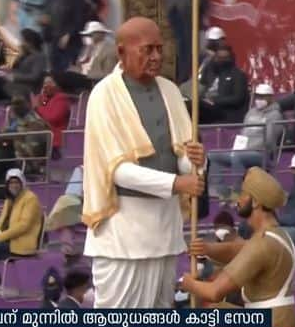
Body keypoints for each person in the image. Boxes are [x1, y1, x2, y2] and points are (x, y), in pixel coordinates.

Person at [81, 17, 206, 309]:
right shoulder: (103, 96)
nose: (156, 57)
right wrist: (177, 183)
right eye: (148, 50)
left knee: (158, 322)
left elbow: (185, 157)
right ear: (122, 52)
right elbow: (117, 170)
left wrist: (197, 160)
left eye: (160, 49)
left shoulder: (171, 91)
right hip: (123, 230)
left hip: (164, 227)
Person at [182, 168, 295, 327]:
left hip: (269, 325)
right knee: (217, 311)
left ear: (256, 202)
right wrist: (207, 249)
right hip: (276, 317)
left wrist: (188, 283)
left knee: (208, 317)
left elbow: (214, 292)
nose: (238, 200)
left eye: (243, 194)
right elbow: (237, 250)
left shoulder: (262, 243)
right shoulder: (276, 235)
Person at [207, 83, 281, 198]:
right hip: (242, 150)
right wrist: (238, 147)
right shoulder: (251, 112)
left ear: (270, 97)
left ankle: (239, 190)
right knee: (212, 155)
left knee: (238, 156)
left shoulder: (275, 115)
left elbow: (270, 141)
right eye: (257, 96)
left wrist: (251, 148)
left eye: (263, 96)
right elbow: (243, 133)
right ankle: (220, 190)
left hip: (261, 153)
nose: (259, 99)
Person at [41, 0, 87, 73]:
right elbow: (48, 15)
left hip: (70, 41)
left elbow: (80, 19)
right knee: (54, 70)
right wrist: (45, 20)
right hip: (53, 39)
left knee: (67, 70)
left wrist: (69, 34)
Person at [199, 44, 249, 124]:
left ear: (230, 58)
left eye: (225, 58)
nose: (221, 60)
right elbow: (201, 87)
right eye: (219, 58)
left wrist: (214, 101)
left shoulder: (238, 75)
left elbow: (237, 98)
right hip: (207, 108)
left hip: (225, 112)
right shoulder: (209, 72)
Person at [45, 165, 84, 261]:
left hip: (88, 205)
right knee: (64, 212)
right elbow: (72, 192)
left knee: (64, 211)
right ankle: (67, 248)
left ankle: (67, 248)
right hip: (74, 202)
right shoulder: (80, 169)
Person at [7, 95, 50, 176]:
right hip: (22, 142)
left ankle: (34, 168)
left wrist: (15, 135)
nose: (15, 107)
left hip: (37, 145)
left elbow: (35, 133)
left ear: (24, 105)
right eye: (13, 104)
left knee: (18, 144)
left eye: (18, 104)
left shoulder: (33, 117)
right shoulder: (16, 118)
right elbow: (9, 130)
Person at [34, 74, 71, 160]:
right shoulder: (44, 99)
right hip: (42, 138)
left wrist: (38, 108)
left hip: (55, 141)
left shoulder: (61, 98)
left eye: (50, 82)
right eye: (45, 83)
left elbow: (52, 118)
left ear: (57, 84)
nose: (46, 86)